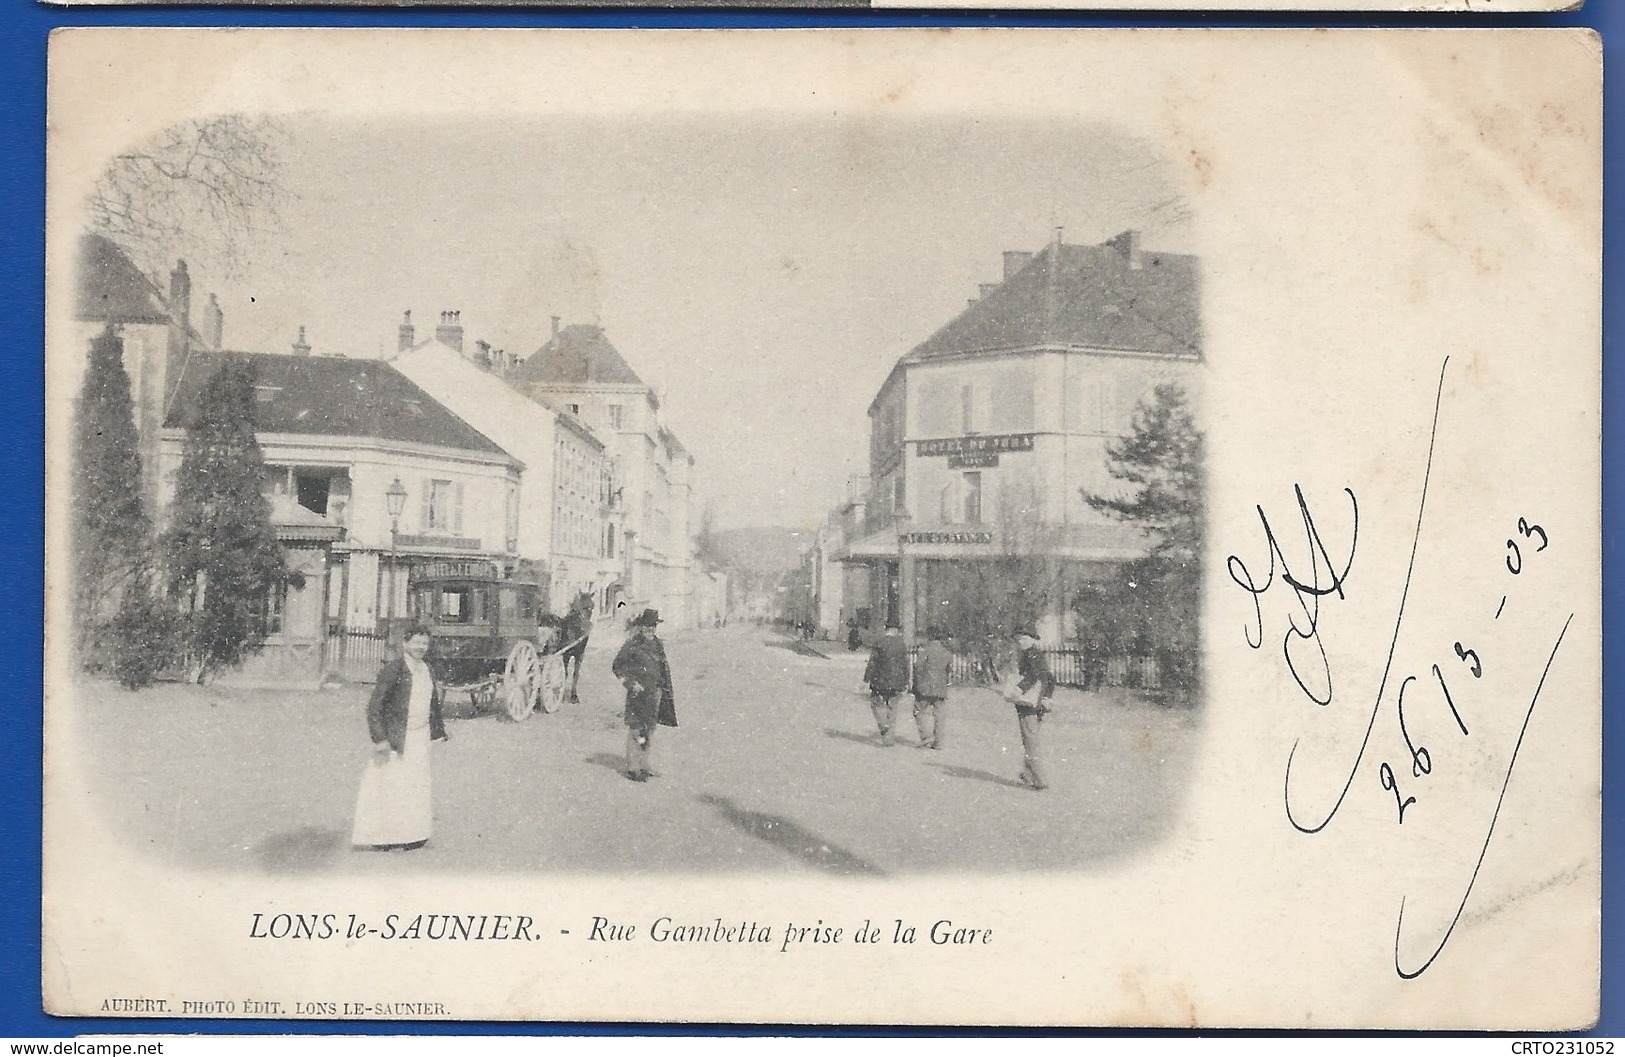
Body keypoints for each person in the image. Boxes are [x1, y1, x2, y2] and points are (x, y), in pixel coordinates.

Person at [352, 625, 448, 851]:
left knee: (415, 786)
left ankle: (414, 835)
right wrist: (380, 739)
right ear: (405, 643)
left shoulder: (427, 670)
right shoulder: (394, 669)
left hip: (419, 738)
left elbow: (432, 705)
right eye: (416, 642)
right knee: (389, 786)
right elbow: (374, 708)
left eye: (424, 643)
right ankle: (383, 839)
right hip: (396, 739)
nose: (420, 648)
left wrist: (439, 731)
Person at [612, 608, 677, 782]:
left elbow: (662, 667)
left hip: (654, 692)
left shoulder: (657, 643)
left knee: (649, 728)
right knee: (636, 728)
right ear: (641, 626)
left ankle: (644, 764)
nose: (651, 629)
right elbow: (617, 666)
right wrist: (631, 683)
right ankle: (633, 768)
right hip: (637, 694)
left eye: (653, 625)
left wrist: (663, 688)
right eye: (648, 625)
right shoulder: (632, 644)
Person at [1005, 626, 1056, 790]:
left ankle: (1040, 779)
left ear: (1033, 639)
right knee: (1030, 737)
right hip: (1037, 703)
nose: (1020, 642)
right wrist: (1047, 696)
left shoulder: (1030, 655)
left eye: (1024, 638)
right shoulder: (1038, 655)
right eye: (1019, 639)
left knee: (1030, 741)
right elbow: (1050, 678)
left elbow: (1032, 676)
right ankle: (1027, 773)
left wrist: (1019, 689)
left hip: (1028, 704)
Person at [863, 620, 910, 746]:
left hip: (880, 679)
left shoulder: (880, 643)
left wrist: (867, 678)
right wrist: (906, 680)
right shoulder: (902, 645)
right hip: (897, 681)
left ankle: (883, 725)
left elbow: (872, 662)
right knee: (893, 707)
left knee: (875, 703)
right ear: (897, 630)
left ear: (886, 629)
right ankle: (889, 738)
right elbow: (906, 664)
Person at [912, 625, 953, 750]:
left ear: (929, 637)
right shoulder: (947, 653)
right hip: (940, 688)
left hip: (925, 687)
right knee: (939, 715)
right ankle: (938, 742)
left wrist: (916, 683)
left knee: (918, 711)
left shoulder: (926, 651)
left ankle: (926, 736)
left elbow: (918, 667)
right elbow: (949, 670)